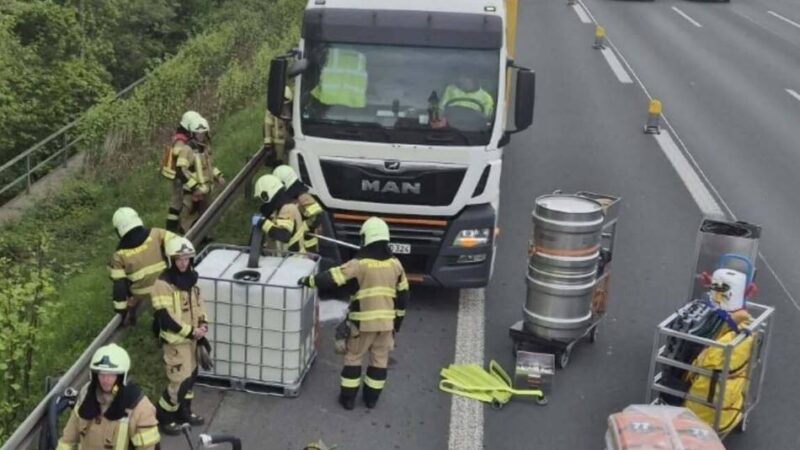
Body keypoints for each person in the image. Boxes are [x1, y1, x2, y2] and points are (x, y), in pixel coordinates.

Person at [297, 217, 409, 410]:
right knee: (379, 360)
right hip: (386, 325)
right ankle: (371, 399)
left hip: (362, 324)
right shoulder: (396, 265)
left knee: (354, 357)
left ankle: (348, 399)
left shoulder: (359, 264)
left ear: (366, 238)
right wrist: (396, 325)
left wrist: (307, 281)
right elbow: (403, 296)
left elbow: (331, 278)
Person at [151, 237, 210, 435]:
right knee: (179, 382)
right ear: (171, 260)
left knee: (191, 378)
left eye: (187, 259)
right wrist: (190, 332)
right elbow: (165, 316)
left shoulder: (192, 278)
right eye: (179, 259)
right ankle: (165, 417)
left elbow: (199, 305)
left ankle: (185, 412)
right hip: (176, 342)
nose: (183, 263)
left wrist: (203, 327)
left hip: (192, 339)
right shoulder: (163, 284)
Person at [56, 343, 160, 450]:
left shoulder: (138, 406)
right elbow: (69, 436)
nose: (105, 380)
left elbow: (148, 447)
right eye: (102, 374)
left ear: (121, 376)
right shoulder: (86, 394)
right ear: (95, 375)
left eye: (111, 374)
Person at [109, 207, 177, 326]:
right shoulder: (157, 233)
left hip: (142, 295)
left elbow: (119, 286)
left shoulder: (118, 255)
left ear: (118, 230)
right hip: (166, 286)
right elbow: (179, 245)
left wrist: (122, 312)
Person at [166, 111, 225, 234]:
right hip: (193, 190)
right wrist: (194, 187)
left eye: (203, 133)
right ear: (192, 132)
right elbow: (182, 170)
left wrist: (218, 176)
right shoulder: (187, 148)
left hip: (205, 189)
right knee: (188, 216)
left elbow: (209, 167)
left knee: (205, 214)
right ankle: (182, 235)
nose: (201, 136)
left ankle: (204, 236)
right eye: (198, 133)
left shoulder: (205, 148)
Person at [272, 165, 323, 253]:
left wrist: (301, 227)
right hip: (293, 246)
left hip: (307, 248)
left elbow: (316, 219)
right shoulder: (291, 197)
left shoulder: (304, 198)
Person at [253, 174, 307, 253]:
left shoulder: (288, 208)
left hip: (294, 260)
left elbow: (284, 236)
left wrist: (263, 223)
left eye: (261, 199)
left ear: (266, 195)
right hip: (286, 260)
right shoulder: (279, 209)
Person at [263, 86, 294, 166]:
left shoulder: (292, 109)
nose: (283, 107)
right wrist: (268, 147)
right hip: (277, 143)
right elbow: (267, 127)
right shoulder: (271, 110)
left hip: (289, 142)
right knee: (278, 163)